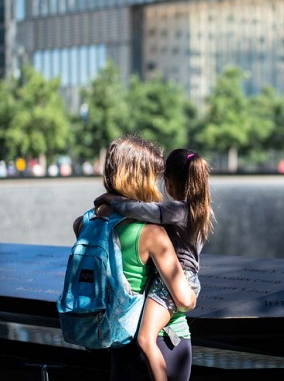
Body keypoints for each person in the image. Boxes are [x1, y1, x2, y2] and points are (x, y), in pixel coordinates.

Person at [73, 135, 197, 381]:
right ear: (140, 178)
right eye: (153, 176)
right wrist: (194, 294)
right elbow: (184, 299)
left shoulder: (85, 224)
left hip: (117, 344)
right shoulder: (151, 233)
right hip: (166, 344)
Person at [95, 148, 213, 381]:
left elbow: (142, 210)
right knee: (148, 337)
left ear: (169, 183)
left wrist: (110, 199)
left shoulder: (178, 211)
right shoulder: (199, 210)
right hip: (186, 282)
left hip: (177, 280)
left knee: (146, 338)